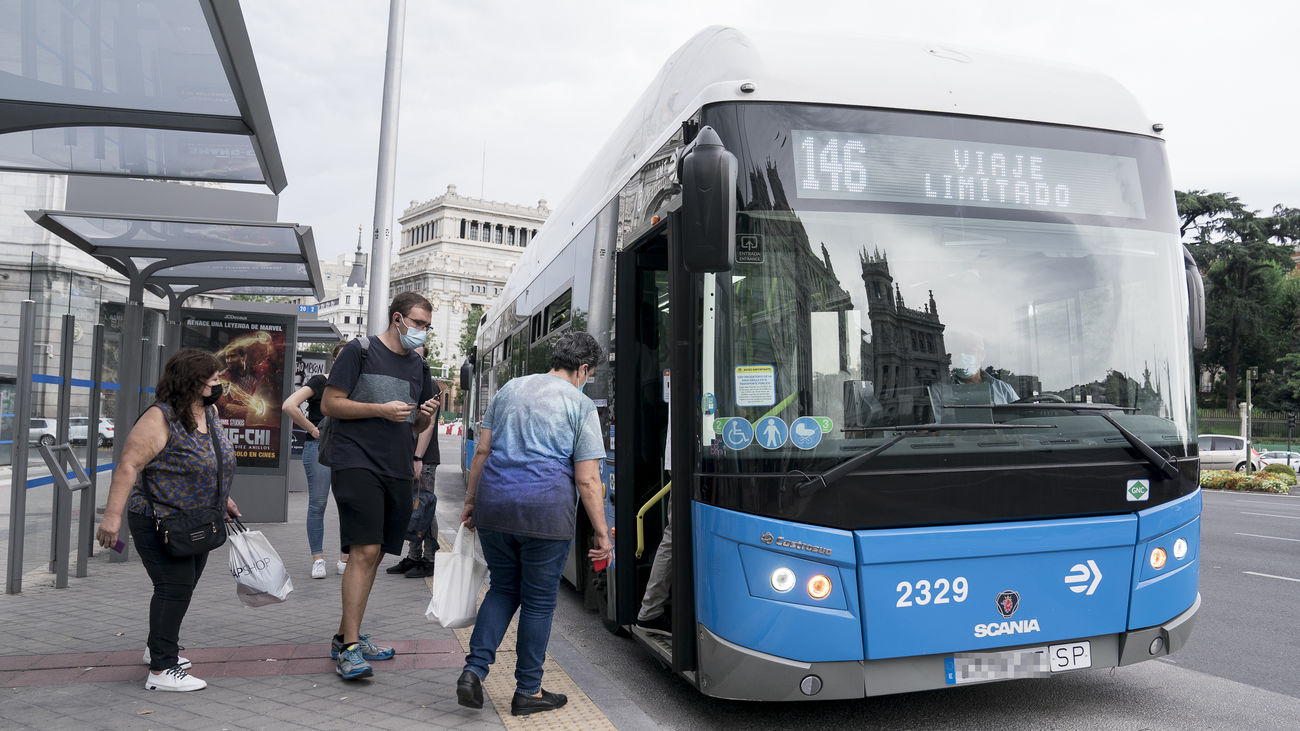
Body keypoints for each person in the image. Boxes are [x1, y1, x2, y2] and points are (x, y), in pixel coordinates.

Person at [456, 331, 612, 717]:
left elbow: (482, 449)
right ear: (585, 369)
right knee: (539, 603)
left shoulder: (511, 389)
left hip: (495, 505)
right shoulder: (580, 404)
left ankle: (473, 671)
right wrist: (602, 532)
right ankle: (528, 690)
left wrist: (471, 501)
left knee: (503, 588)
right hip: (545, 510)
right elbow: (588, 479)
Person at [94, 349, 240, 692]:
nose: (219, 385)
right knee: (173, 587)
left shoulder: (209, 410)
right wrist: (112, 518)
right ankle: (161, 669)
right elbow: (129, 466)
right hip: (159, 518)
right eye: (213, 380)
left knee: (184, 586)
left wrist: (224, 497)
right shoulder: (159, 419)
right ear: (192, 383)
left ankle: (158, 646)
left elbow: (212, 458)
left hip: (200, 519)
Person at [321, 293, 439, 680]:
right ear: (398, 318)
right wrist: (379, 409)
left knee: (373, 555)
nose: (423, 332)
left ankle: (346, 636)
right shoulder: (360, 350)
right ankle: (350, 649)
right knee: (364, 548)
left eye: (427, 326)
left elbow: (415, 427)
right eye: (419, 324)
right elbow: (331, 404)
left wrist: (422, 417)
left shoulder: (418, 367)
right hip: (355, 461)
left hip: (397, 467)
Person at [281, 341, 350, 579]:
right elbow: (289, 405)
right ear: (333, 359)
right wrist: (312, 428)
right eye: (341, 357)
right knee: (318, 503)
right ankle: (317, 559)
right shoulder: (321, 381)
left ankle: (345, 558)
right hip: (319, 446)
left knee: (348, 504)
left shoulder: (357, 384)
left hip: (348, 448)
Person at [387, 371, 442, 579]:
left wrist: (418, 457)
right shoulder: (413, 379)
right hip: (410, 457)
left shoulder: (430, 385)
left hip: (423, 459)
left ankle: (430, 560)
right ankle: (414, 557)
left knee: (425, 507)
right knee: (415, 507)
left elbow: (428, 425)